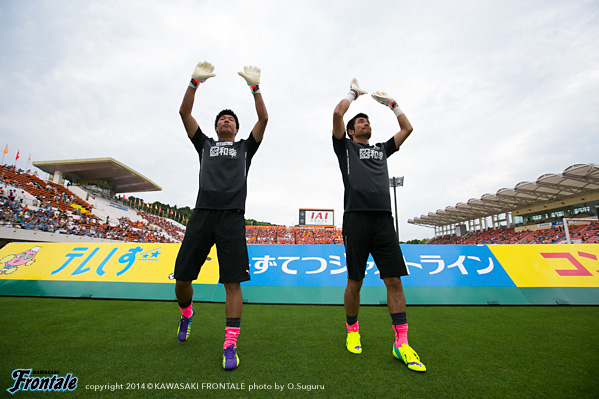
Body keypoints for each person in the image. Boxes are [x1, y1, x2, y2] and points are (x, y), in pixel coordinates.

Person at [175, 61, 268, 371]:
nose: (226, 120)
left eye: (231, 119)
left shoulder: (245, 148)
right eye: (222, 119)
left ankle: (230, 343)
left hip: (231, 218)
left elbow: (264, 118)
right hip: (202, 216)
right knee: (183, 280)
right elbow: (184, 114)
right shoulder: (204, 145)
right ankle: (187, 313)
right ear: (216, 128)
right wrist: (193, 83)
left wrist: (255, 88)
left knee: (232, 283)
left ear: (237, 129)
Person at [332, 78, 426, 372]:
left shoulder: (382, 149)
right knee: (355, 282)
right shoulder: (344, 148)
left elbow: (407, 129)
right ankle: (352, 330)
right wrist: (354, 95)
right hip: (356, 220)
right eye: (360, 121)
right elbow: (337, 114)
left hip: (384, 220)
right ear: (350, 130)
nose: (365, 123)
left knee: (394, 281)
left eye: (367, 120)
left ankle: (402, 344)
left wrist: (392, 105)